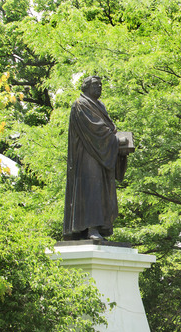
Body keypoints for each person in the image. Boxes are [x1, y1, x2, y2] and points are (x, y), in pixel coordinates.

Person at [63, 76, 129, 240]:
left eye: (101, 84)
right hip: (87, 156)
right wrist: (116, 141)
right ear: (86, 87)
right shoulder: (80, 104)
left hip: (101, 154)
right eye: (95, 84)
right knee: (91, 189)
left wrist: (116, 142)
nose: (99, 87)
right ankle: (90, 228)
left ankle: (99, 227)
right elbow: (95, 130)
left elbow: (106, 129)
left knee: (101, 190)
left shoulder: (100, 106)